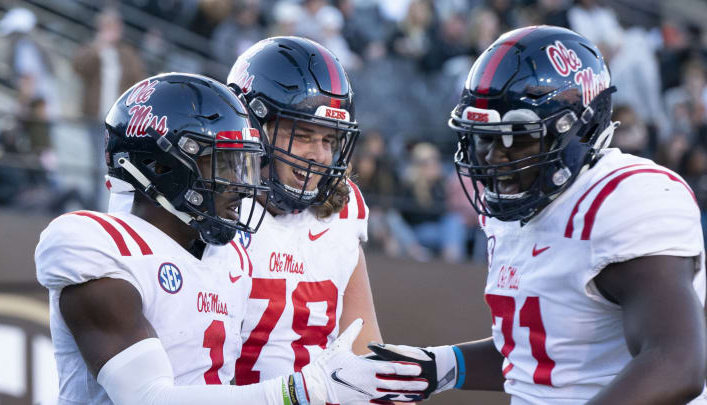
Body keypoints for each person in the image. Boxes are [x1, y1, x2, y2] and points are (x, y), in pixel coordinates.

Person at [35, 73, 425, 405]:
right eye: (223, 165)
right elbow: (149, 398)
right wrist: (300, 390)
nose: (241, 185)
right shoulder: (96, 245)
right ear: (162, 166)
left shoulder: (229, 256)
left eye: (244, 165)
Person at [369, 26, 707, 405]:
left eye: (519, 137)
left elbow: (677, 362)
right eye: (486, 138)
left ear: (580, 128)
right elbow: (544, 352)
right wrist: (436, 366)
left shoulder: (625, 198)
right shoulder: (520, 204)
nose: (496, 157)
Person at [223, 36, 386, 385]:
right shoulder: (216, 207)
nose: (320, 155)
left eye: (329, 140)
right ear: (254, 130)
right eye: (303, 135)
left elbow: (362, 347)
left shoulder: (343, 209)